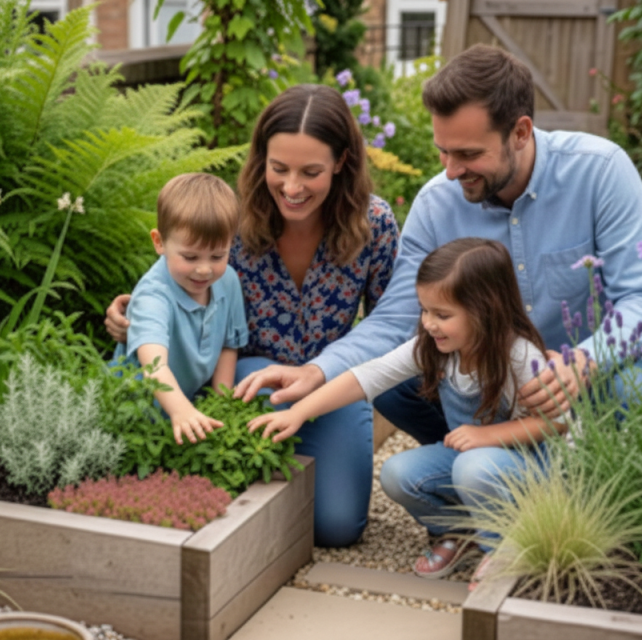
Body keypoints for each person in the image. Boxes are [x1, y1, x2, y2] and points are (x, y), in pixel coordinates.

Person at [232, 43, 642, 564]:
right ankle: (492, 492)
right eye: (443, 151)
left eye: (467, 154)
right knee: (397, 388)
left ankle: (603, 516)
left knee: (637, 380)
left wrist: (583, 361)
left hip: (584, 391)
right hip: (490, 396)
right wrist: (318, 372)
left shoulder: (599, 171)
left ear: (521, 132)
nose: (449, 170)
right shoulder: (437, 203)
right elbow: (397, 322)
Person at [106, 84, 399, 547]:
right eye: (278, 168)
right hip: (250, 381)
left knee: (338, 527)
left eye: (311, 172)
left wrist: (326, 376)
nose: (292, 187)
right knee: (226, 494)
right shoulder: (234, 222)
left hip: (331, 382)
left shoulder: (373, 224)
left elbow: (391, 324)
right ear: (261, 158)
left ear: (342, 162)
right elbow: (173, 277)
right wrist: (131, 315)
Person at [248, 238, 566, 577]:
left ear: (486, 310)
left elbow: (555, 423)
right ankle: (463, 532)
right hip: (474, 458)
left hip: (532, 470)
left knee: (472, 466)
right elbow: (369, 375)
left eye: (442, 315)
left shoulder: (518, 356)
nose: (429, 323)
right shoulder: (435, 345)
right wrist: (299, 411)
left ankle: (505, 549)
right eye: (424, 310)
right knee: (398, 474)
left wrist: (487, 435)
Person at [113, 173, 248, 446]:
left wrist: (221, 405)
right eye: (190, 257)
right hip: (134, 410)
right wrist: (181, 410)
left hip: (185, 404)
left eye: (218, 256)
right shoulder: (153, 295)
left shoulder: (228, 281)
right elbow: (154, 364)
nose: (204, 269)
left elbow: (227, 346)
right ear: (159, 242)